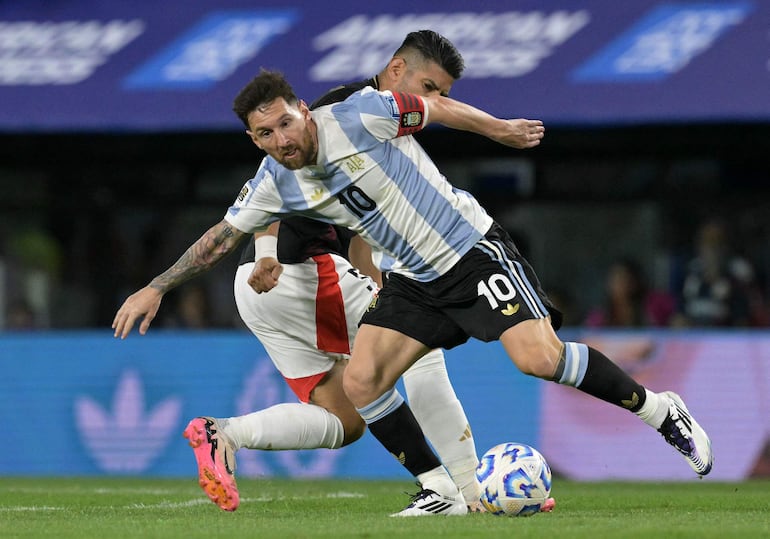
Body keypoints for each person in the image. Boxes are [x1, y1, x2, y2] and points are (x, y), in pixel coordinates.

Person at [113, 69, 712, 517]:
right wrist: (156, 286)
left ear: (301, 109)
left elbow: (435, 106)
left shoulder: (358, 115)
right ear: (254, 139)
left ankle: (661, 410)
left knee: (539, 359)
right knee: (362, 381)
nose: (280, 139)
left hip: (469, 250)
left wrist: (498, 129)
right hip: (413, 281)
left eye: (285, 123)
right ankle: (442, 490)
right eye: (264, 133)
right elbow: (222, 238)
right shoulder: (273, 181)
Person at [179, 31, 540, 514]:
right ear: (397, 71)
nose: (435, 102)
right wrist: (274, 252)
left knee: (342, 419)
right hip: (303, 273)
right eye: (429, 87)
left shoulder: (335, 127)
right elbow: (280, 192)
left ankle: (224, 433)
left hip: (257, 285)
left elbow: (285, 196)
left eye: (443, 95)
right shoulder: (351, 110)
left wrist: (263, 253)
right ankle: (464, 494)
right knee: (423, 354)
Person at [673, 218, 766, 327]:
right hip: (694, 332)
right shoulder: (691, 270)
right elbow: (679, 310)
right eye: (706, 244)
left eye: (716, 244)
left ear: (725, 247)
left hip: (722, 334)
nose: (711, 250)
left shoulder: (738, 273)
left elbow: (742, 320)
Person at [584, 256, 675, 328]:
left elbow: (674, 323)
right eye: (616, 279)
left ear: (635, 281)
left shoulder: (655, 305)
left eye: (625, 278)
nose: (621, 284)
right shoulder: (600, 316)